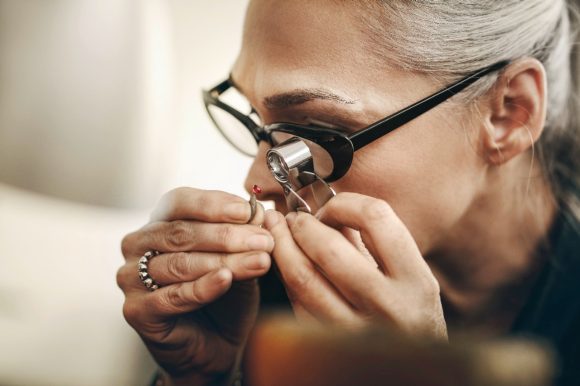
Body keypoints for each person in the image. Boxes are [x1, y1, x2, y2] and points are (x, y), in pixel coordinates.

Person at [116, 1, 580, 385]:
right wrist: (208, 379)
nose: (254, 182)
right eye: (255, 117)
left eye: (316, 130)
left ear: (509, 114)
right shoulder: (244, 306)